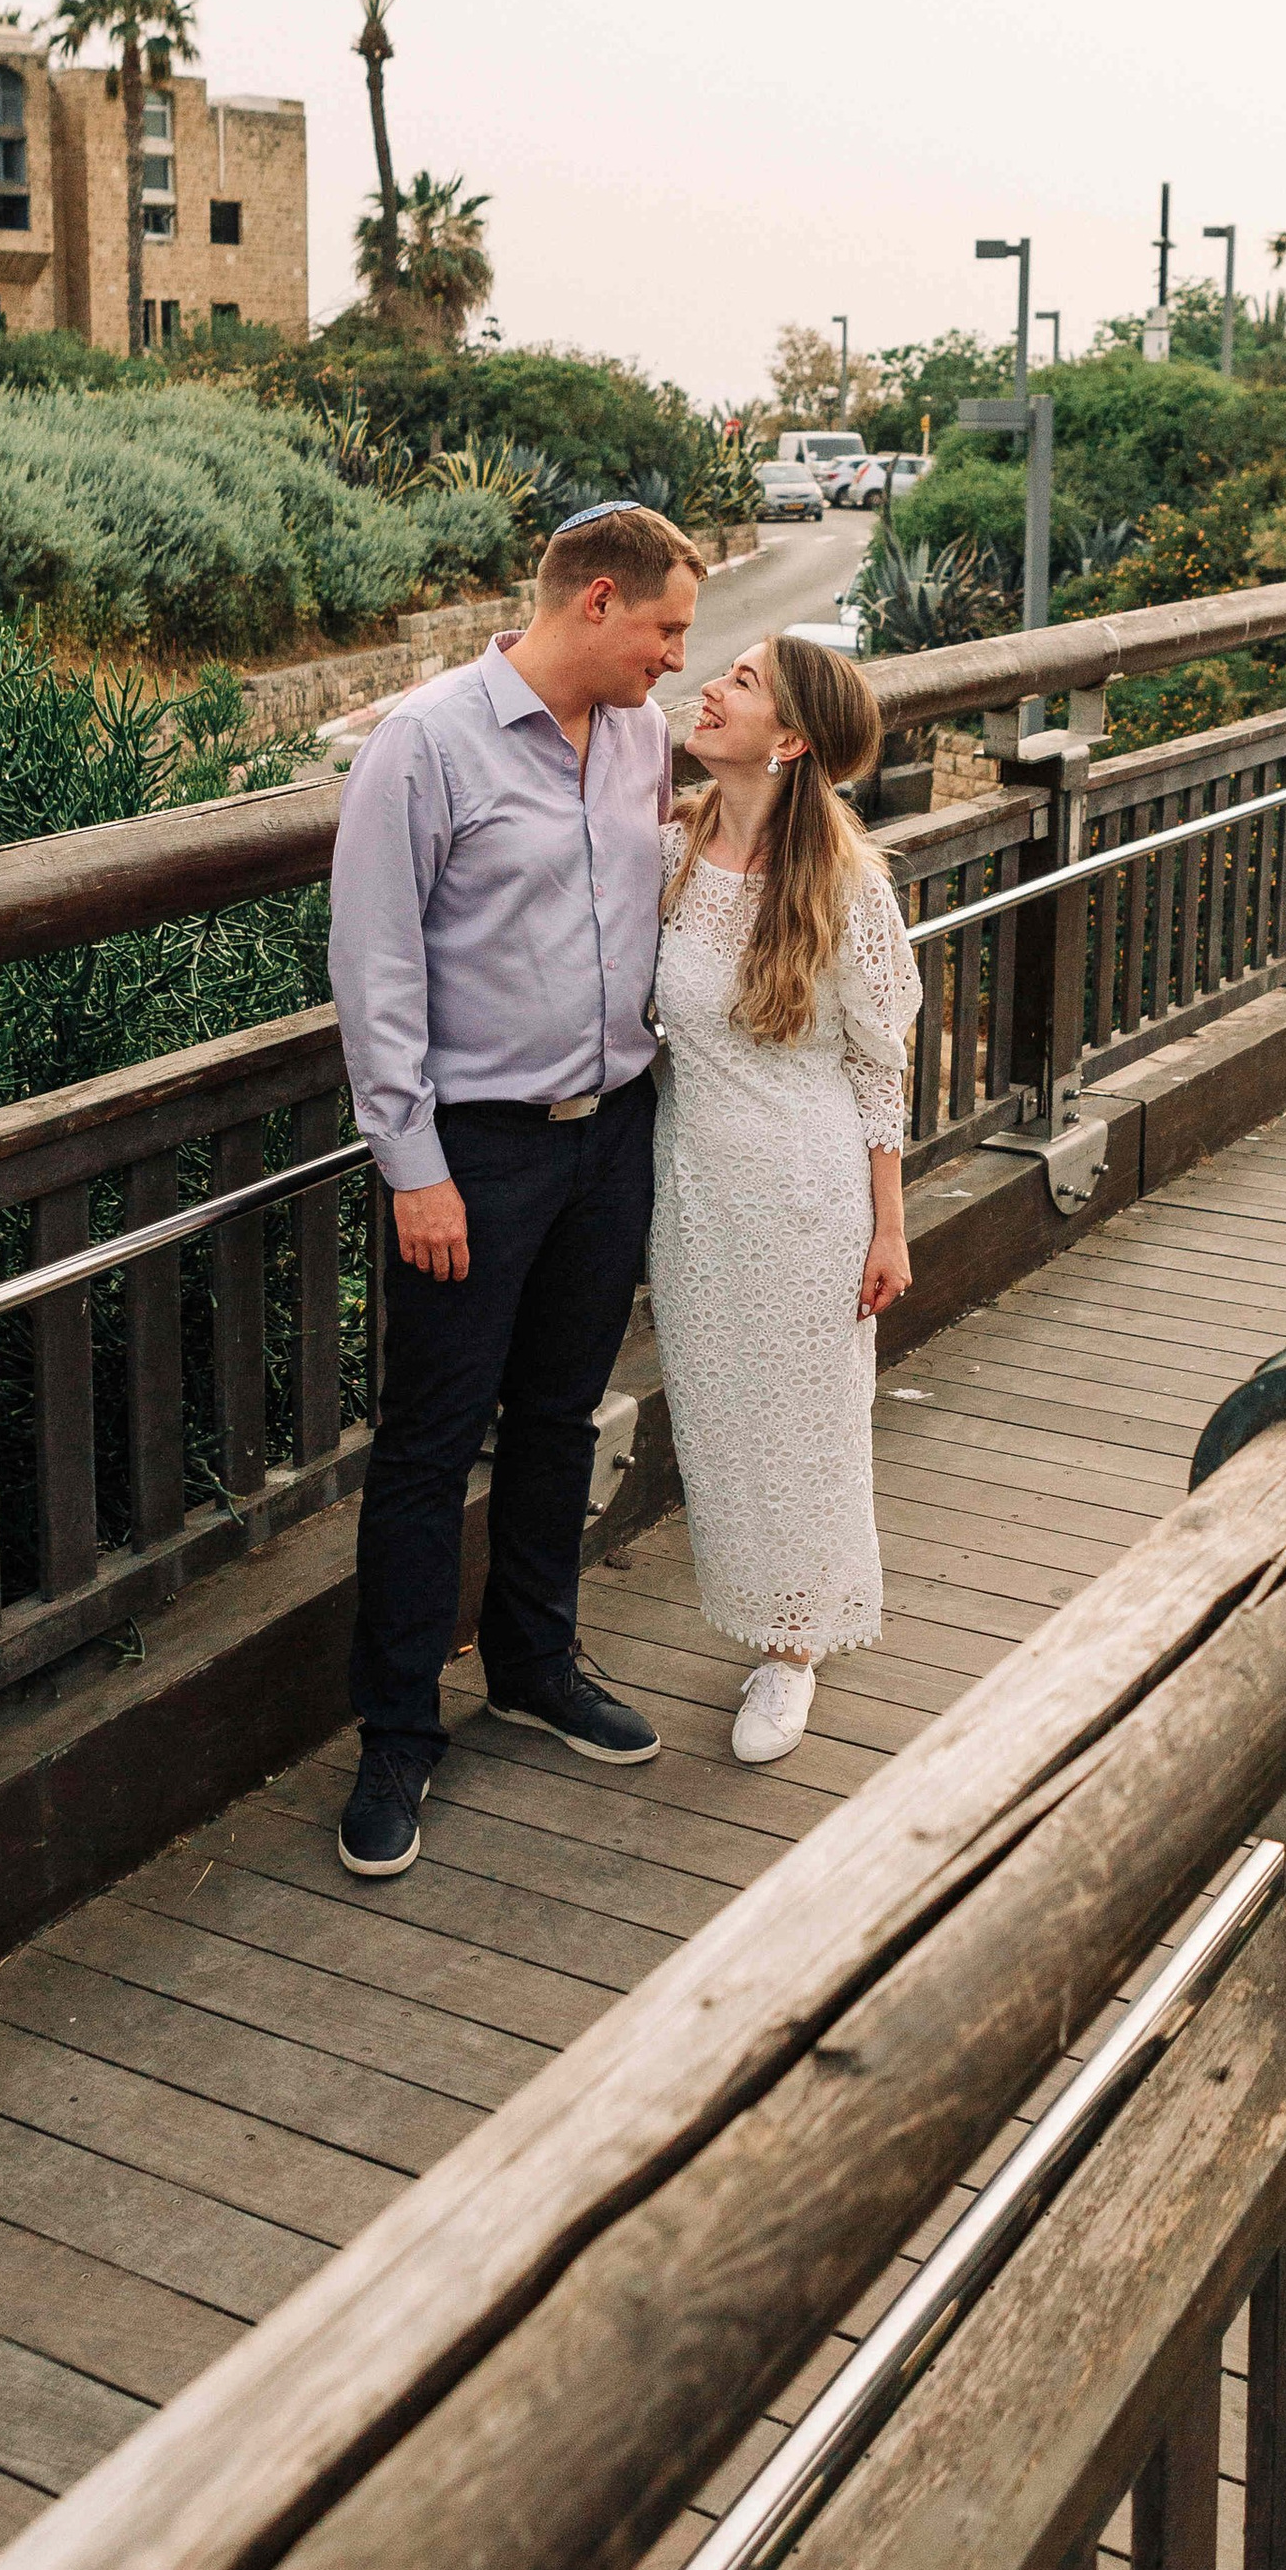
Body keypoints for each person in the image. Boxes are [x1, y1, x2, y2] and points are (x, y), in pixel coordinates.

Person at [326, 501, 705, 1877]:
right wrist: (412, 1168)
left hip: (612, 1134)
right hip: (474, 1153)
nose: (677, 654)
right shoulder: (423, 744)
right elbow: (372, 974)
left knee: (560, 1415)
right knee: (431, 1448)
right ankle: (395, 1736)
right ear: (594, 601)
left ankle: (536, 1667)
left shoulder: (645, 740)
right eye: (666, 626)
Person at [648, 633, 920, 1763]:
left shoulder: (845, 888)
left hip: (808, 1195)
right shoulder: (668, 842)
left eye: (743, 681)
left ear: (793, 738)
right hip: (692, 1194)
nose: (711, 685)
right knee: (719, 1429)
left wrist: (889, 1223)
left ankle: (793, 1651)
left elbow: (878, 1061)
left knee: (806, 1429)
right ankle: (759, 1613)